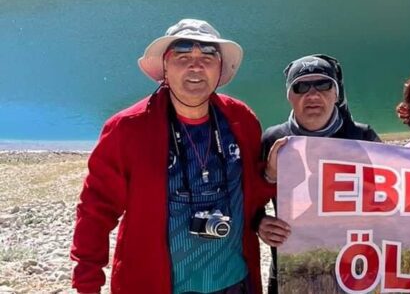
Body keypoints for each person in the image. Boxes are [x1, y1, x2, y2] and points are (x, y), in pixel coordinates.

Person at [71, 19, 271, 294]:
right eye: (183, 57)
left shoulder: (240, 120)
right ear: (164, 67)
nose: (196, 66)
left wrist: (263, 209)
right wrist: (87, 283)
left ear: (220, 68)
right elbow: (95, 210)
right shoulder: (129, 128)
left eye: (208, 57)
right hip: (153, 284)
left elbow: (252, 193)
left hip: (235, 283)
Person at [256, 54, 381, 293]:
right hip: (290, 268)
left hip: (351, 267)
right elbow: (252, 196)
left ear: (336, 93)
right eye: (301, 86)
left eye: (323, 85)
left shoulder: (363, 138)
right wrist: (259, 222)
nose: (313, 95)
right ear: (289, 95)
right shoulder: (273, 139)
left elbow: (391, 197)